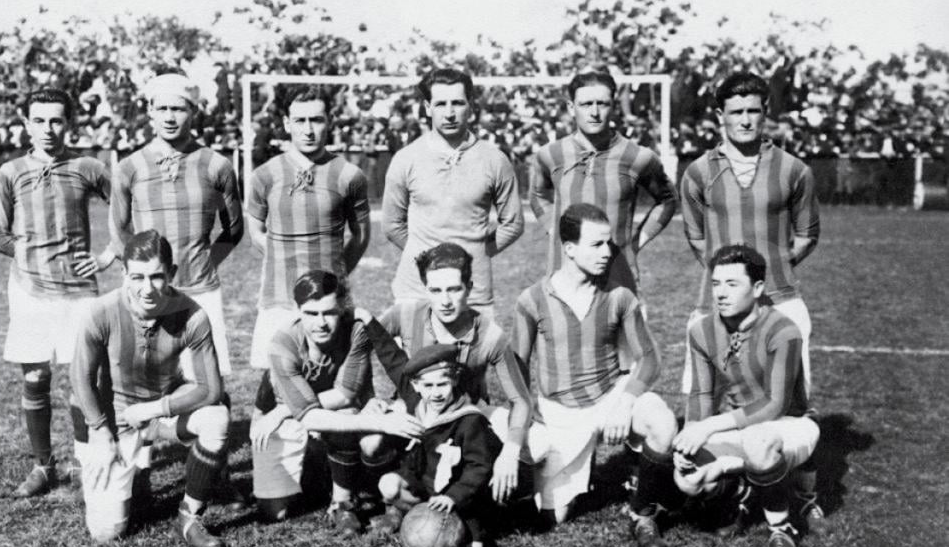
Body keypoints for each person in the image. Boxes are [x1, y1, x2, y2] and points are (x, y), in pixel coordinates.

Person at [679, 71, 823, 525]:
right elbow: (697, 239)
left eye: (753, 111)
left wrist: (768, 275)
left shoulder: (794, 169)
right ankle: (731, 488)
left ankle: (804, 495)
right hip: (717, 303)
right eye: (735, 112)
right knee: (710, 396)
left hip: (780, 299)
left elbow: (806, 234)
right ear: (719, 116)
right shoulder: (699, 171)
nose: (745, 120)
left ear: (766, 114)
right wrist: (732, 286)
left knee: (792, 402)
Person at [514, 204, 679, 547]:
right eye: (596, 244)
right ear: (569, 248)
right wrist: (532, 418)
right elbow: (515, 367)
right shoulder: (531, 300)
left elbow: (649, 360)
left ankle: (642, 512)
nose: (607, 253)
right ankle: (573, 475)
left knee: (662, 423)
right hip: (561, 411)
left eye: (609, 244)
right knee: (553, 518)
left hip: (610, 396)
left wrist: (626, 401)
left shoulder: (619, 295)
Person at [69, 230, 231, 547]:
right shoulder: (99, 312)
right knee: (106, 531)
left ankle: (188, 517)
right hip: (115, 419)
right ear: (124, 274)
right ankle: (121, 470)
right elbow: (80, 379)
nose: (147, 288)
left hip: (155, 412)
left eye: (157, 277)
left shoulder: (192, 314)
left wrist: (153, 411)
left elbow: (210, 388)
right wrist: (100, 431)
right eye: (138, 277)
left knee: (217, 417)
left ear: (171, 273)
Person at [0, 87, 115, 497]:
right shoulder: (11, 172)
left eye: (56, 120)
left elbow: (125, 209)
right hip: (30, 291)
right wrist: (31, 257)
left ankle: (85, 463)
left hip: (79, 290)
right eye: (39, 120)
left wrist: (108, 255)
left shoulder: (87, 167)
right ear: (27, 124)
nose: (48, 128)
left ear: (70, 123)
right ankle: (43, 466)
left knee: (86, 379)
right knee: (37, 375)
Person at [672, 244, 819, 547]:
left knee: (759, 443)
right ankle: (739, 492)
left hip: (788, 424)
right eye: (715, 284)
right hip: (741, 426)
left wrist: (708, 427)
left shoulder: (783, 329)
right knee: (688, 478)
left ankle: (782, 528)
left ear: (757, 288)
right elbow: (701, 395)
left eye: (732, 284)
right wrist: (689, 436)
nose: (721, 293)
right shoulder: (701, 330)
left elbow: (775, 404)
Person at [249, 270, 422, 535]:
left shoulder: (354, 330)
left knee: (357, 425)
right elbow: (307, 416)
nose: (321, 323)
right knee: (275, 512)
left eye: (328, 313)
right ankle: (318, 465)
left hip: (324, 408)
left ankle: (343, 502)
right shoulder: (281, 344)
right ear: (297, 310)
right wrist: (282, 410)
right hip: (276, 415)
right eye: (311, 313)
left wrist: (296, 409)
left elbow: (346, 394)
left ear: (341, 307)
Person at [365, 243, 531, 505]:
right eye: (436, 290)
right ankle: (395, 498)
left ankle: (496, 496)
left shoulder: (490, 335)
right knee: (371, 440)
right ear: (425, 289)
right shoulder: (406, 314)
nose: (445, 300)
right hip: (414, 404)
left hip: (465, 414)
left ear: (470, 287)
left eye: (454, 289)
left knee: (537, 444)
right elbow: (361, 345)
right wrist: (368, 397)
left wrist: (510, 452)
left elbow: (521, 400)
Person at [109, 73, 243, 376]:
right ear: (150, 112)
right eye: (162, 109)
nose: (170, 117)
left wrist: (207, 263)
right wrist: (142, 276)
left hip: (200, 289)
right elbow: (120, 231)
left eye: (179, 109)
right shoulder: (129, 167)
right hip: (147, 290)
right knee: (143, 378)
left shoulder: (217, 165)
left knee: (208, 382)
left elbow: (234, 228)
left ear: (194, 111)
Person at [382, 68, 524, 319]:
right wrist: (427, 257)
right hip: (416, 289)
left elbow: (512, 224)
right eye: (440, 104)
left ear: (471, 106)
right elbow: (392, 225)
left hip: (473, 291)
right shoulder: (406, 159)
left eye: (457, 103)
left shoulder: (495, 159)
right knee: (414, 358)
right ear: (427, 107)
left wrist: (473, 254)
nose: (449, 113)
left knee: (472, 358)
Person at [247, 86, 370, 369]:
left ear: (330, 121)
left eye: (316, 119)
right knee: (279, 387)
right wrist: (282, 259)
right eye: (300, 121)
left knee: (335, 383)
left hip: (329, 301)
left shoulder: (350, 175)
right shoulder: (264, 175)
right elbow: (255, 232)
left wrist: (334, 276)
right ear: (287, 124)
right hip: (279, 297)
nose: (309, 129)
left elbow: (360, 236)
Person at [529, 69, 676, 290]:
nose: (595, 112)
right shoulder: (550, 154)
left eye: (602, 103)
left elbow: (667, 200)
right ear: (571, 108)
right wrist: (555, 232)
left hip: (618, 276)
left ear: (613, 105)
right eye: (586, 104)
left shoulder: (638, 156)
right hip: (563, 276)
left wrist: (636, 242)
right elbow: (537, 195)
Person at [371, 343, 501, 547]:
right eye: (428, 385)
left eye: (442, 384)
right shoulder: (418, 402)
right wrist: (368, 321)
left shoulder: (469, 420)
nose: (435, 393)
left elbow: (479, 466)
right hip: (424, 483)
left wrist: (454, 496)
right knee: (388, 485)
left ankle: (442, 528)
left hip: (458, 495)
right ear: (416, 385)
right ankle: (416, 516)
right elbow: (394, 362)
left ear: (455, 381)